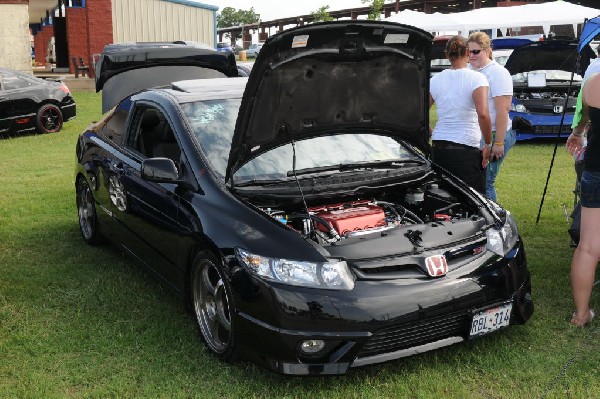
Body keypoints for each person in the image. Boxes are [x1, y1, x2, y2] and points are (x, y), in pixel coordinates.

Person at [430, 35, 492, 194]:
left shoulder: (435, 79)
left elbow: (419, 110)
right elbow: (483, 114)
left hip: (439, 146)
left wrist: (430, 130)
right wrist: (488, 143)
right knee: (471, 197)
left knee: (442, 194)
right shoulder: (477, 78)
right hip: (465, 147)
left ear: (446, 55)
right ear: (467, 52)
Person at [565, 72, 600, 327]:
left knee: (588, 247)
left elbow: (583, 119)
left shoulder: (592, 83)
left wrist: (577, 133)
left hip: (595, 170)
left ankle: (580, 315)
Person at [467, 32, 515, 202]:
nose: (471, 55)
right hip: (476, 133)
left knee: (486, 182)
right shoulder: (469, 71)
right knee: (475, 181)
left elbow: (503, 110)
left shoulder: (498, 73)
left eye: (475, 51)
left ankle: (492, 221)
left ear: (487, 50)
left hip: (496, 133)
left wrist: (499, 143)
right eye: (468, 51)